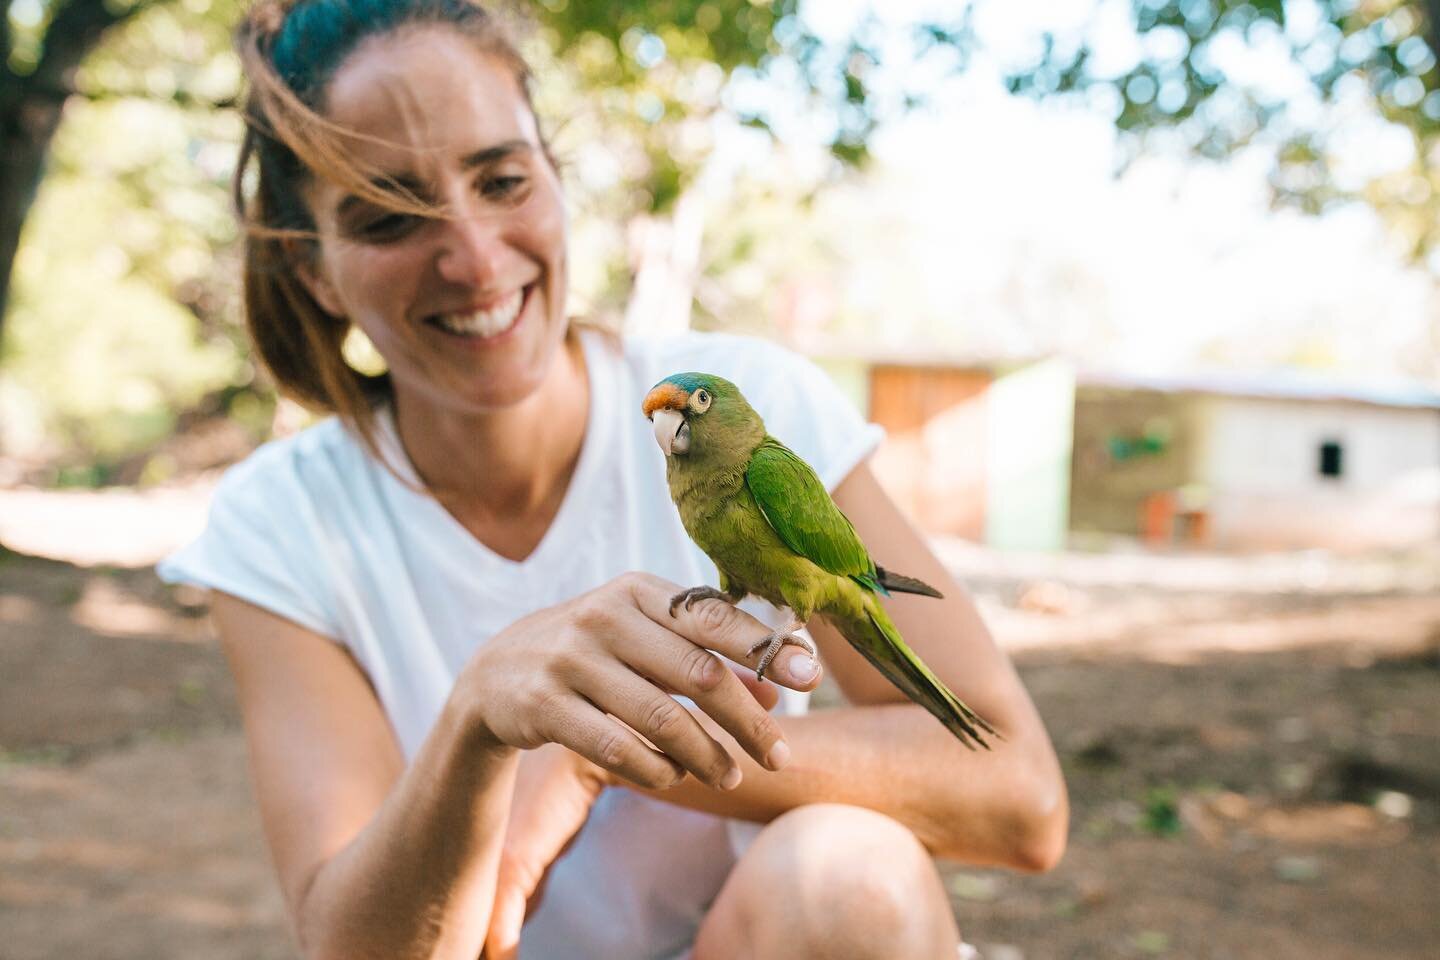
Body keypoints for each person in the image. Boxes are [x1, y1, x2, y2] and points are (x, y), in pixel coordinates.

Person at [158, 1, 1069, 957]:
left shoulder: (756, 408)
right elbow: (362, 948)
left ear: (554, 178)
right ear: (315, 272)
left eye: (503, 180)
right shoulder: (280, 523)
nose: (473, 259)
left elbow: (1021, 796)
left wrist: (616, 752)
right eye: (390, 217)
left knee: (848, 876)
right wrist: (481, 727)